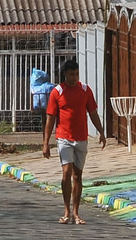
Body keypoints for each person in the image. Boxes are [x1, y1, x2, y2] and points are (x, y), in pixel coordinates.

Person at [40, 57, 106, 224]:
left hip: (81, 139)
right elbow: (50, 118)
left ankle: (76, 213)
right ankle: (66, 211)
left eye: (76, 74)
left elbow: (92, 113)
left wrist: (101, 132)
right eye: (71, 74)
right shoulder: (57, 92)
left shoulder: (85, 90)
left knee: (78, 176)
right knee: (66, 172)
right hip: (64, 138)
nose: (74, 78)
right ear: (64, 75)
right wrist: (46, 143)